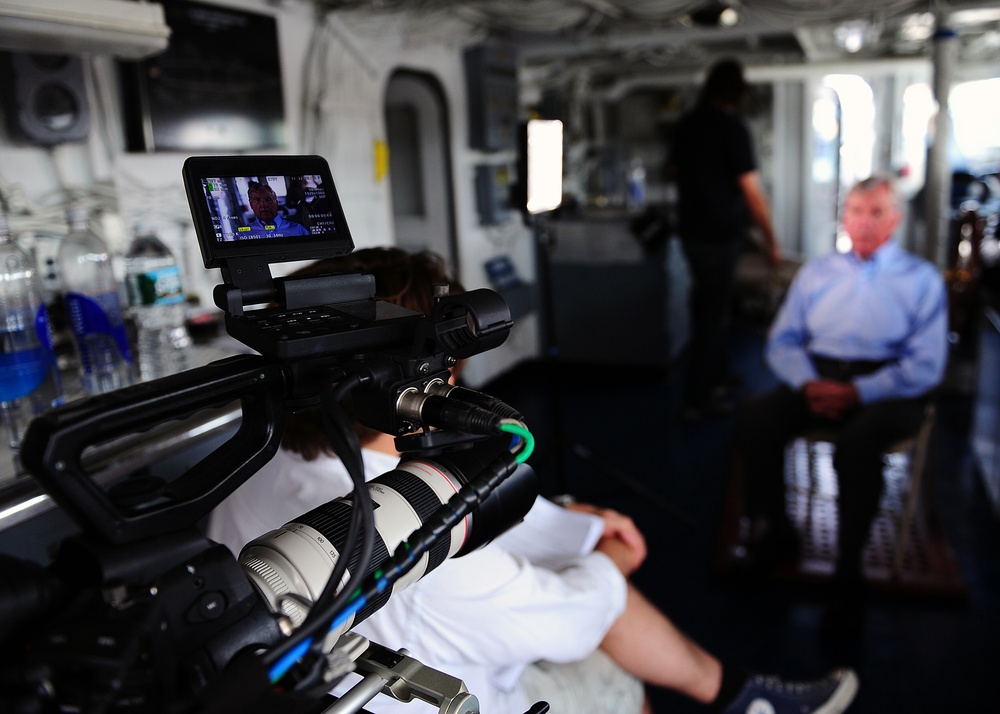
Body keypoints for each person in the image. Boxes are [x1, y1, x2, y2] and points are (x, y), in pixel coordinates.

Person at [209, 247, 858, 714]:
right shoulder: (408, 543)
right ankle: (749, 700)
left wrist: (569, 519)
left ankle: (741, 694)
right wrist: (609, 560)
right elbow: (572, 622)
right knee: (611, 671)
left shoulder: (241, 474)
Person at [733, 175, 948, 635]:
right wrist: (809, 383)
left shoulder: (921, 279)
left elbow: (927, 364)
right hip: (820, 376)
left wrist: (859, 393)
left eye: (876, 213)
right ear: (843, 217)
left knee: (858, 442)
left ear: (895, 220)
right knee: (755, 419)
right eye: (855, 211)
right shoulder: (817, 272)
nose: (864, 223)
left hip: (889, 385)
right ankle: (777, 531)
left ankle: (848, 566)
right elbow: (783, 340)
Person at [671, 58, 781, 421]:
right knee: (712, 313)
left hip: (693, 234)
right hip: (717, 237)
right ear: (737, 92)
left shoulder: (686, 126)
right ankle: (698, 398)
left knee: (714, 307)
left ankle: (716, 377)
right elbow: (751, 190)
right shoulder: (733, 129)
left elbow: (676, 172)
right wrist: (771, 242)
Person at [244, 180, 311, 238]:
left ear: (276, 203)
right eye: (257, 200)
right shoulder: (242, 234)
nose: (263, 205)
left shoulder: (298, 230)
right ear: (251, 205)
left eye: (268, 199)